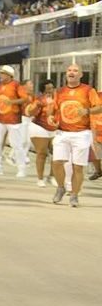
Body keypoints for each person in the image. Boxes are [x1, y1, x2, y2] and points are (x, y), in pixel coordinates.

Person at [50, 64, 102, 207]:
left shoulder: (88, 90)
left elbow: (99, 107)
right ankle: (61, 187)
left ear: (80, 75)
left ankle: (74, 195)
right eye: (69, 70)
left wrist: (87, 111)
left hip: (81, 133)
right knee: (57, 162)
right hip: (62, 132)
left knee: (78, 166)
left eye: (75, 71)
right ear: (66, 74)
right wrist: (50, 117)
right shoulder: (60, 92)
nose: (71, 72)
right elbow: (54, 109)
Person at [0, 65, 30, 177]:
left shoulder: (16, 85)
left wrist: (12, 102)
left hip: (13, 119)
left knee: (16, 144)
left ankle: (21, 168)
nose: (1, 75)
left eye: (3, 73)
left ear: (9, 75)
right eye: (1, 73)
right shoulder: (0, 86)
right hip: (0, 118)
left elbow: (25, 98)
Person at [25, 80, 58, 187]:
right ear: (42, 90)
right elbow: (29, 113)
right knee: (42, 153)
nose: (50, 90)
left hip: (53, 128)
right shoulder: (39, 100)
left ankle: (52, 176)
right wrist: (37, 106)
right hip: (39, 127)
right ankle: (40, 178)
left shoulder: (57, 100)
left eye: (52, 88)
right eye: (48, 88)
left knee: (57, 154)